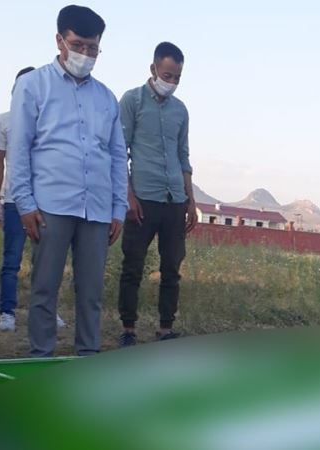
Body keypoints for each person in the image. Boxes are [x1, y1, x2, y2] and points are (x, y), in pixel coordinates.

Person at [7, 5, 128, 357]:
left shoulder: (106, 98)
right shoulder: (33, 86)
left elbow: (117, 156)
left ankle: (87, 360)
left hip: (97, 210)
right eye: (78, 45)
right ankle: (41, 359)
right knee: (45, 288)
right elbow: (19, 147)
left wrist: (118, 208)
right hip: (50, 206)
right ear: (60, 40)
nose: (85, 55)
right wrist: (25, 203)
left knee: (91, 293)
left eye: (93, 48)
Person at [117, 42, 197, 347]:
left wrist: (190, 200)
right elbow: (119, 151)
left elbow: (183, 155)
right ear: (153, 69)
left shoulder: (180, 110)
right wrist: (128, 196)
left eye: (177, 77)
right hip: (143, 199)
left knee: (171, 268)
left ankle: (165, 329)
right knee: (133, 267)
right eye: (167, 75)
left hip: (174, 199)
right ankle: (128, 329)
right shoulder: (132, 101)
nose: (172, 82)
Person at [0, 67, 66, 332]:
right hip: (16, 201)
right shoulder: (4, 121)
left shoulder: (50, 121)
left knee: (47, 261)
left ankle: (47, 310)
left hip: (46, 200)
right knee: (12, 259)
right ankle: (7, 312)